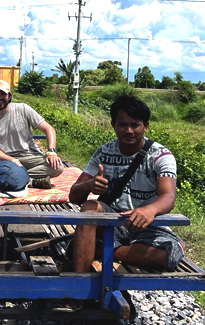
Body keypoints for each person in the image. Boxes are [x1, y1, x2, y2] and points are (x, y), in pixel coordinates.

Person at [68, 94, 184, 277]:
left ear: (146, 126)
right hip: (111, 222)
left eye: (135, 125)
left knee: (165, 255)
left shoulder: (160, 156)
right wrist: (89, 185)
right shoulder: (104, 153)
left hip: (148, 225)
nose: (129, 130)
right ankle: (76, 288)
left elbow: (168, 196)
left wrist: (150, 210)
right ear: (113, 125)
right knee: (89, 207)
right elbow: (74, 196)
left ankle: (100, 250)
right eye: (122, 124)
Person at [0, 80, 63, 189]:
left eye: (3, 94)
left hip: (28, 155)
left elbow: (49, 129)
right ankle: (31, 181)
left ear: (9, 96)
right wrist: (13, 160)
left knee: (57, 166)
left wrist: (51, 152)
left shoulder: (23, 109)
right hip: (3, 159)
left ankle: (16, 177)